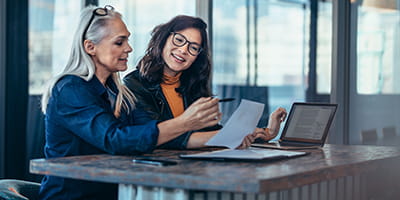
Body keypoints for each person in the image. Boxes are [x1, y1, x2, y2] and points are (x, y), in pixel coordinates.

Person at [39, 6, 255, 200]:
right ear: (90, 47)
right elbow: (115, 140)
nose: (129, 49)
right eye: (119, 42)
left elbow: (155, 134)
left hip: (116, 192)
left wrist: (235, 137)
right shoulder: (71, 89)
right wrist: (186, 122)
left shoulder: (117, 91)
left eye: (127, 40)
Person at [123, 15, 287, 148]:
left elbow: (211, 132)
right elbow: (158, 136)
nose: (183, 50)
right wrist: (227, 137)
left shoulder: (192, 85)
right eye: (179, 40)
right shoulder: (134, 84)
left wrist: (266, 132)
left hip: (193, 168)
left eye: (193, 47)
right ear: (164, 39)